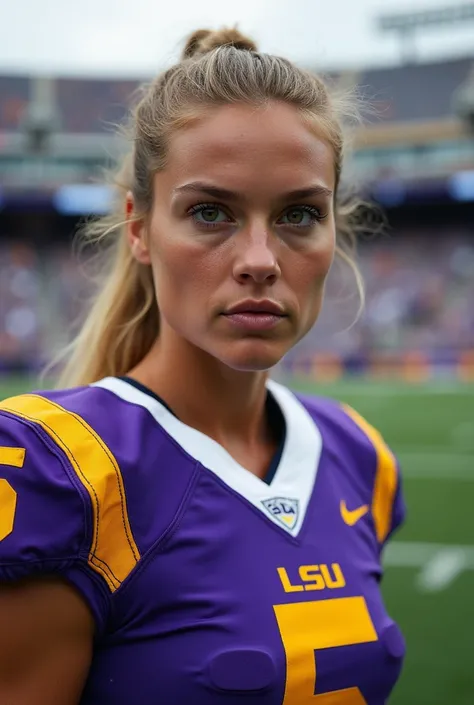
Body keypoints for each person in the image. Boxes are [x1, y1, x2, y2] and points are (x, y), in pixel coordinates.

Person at [0, 27, 406, 705]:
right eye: (210, 211)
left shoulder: (359, 454)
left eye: (299, 214)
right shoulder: (56, 470)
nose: (260, 258)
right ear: (139, 226)